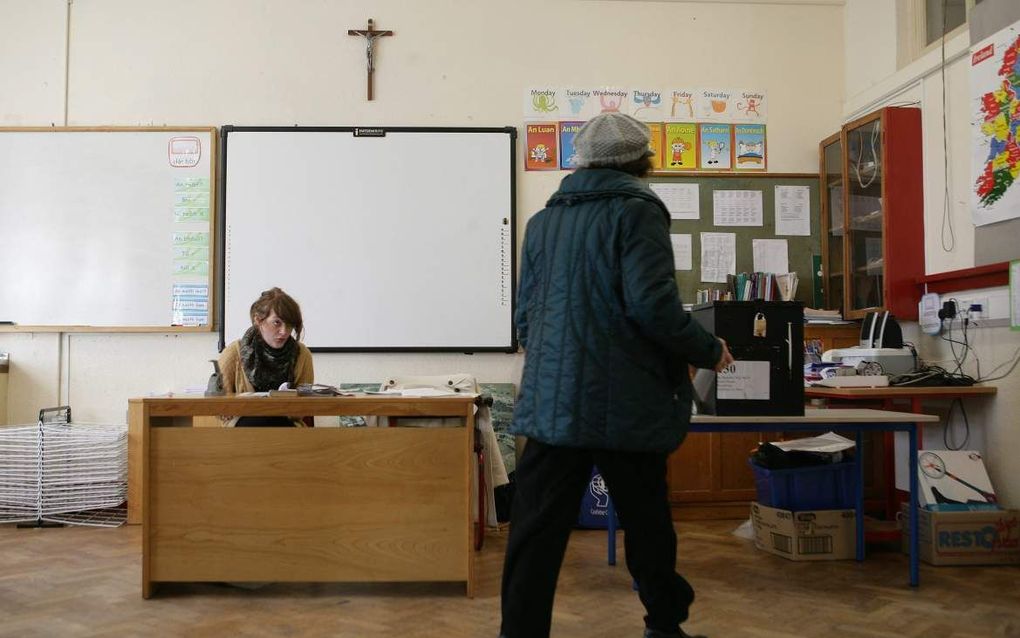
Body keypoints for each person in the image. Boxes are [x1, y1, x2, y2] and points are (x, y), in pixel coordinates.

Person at [500, 112, 734, 638]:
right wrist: (707, 347)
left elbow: (526, 321)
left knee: (535, 534)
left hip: (552, 405)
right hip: (626, 403)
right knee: (647, 523)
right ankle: (664, 625)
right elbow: (653, 307)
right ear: (642, 162)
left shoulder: (542, 222)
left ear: (580, 161)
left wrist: (559, 367)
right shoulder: (637, 212)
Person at [218, 287, 314, 426]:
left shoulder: (302, 354)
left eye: (289, 325)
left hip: (286, 426)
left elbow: (305, 406)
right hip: (242, 429)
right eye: (277, 322)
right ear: (258, 320)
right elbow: (220, 406)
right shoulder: (234, 352)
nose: (284, 332)